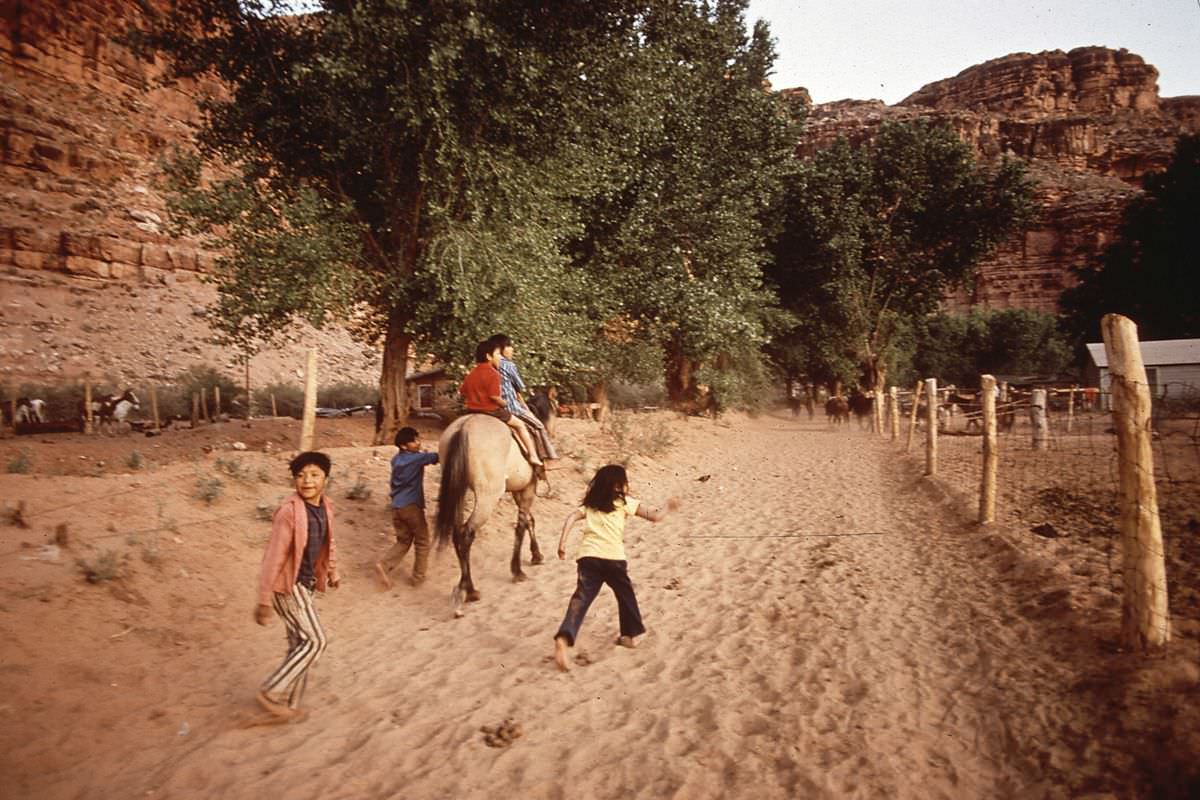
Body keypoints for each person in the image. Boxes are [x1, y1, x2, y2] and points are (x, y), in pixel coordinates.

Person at [552, 464, 679, 672]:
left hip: (588, 557)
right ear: (620, 485)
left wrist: (562, 543)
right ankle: (630, 636)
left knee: (581, 599)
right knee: (625, 595)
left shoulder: (590, 505)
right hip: (614, 559)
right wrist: (668, 507)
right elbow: (654, 516)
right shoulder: (625, 503)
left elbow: (570, 518)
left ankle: (564, 638)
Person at [254, 451, 340, 721]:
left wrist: (333, 571)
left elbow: (329, 542)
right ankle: (270, 692)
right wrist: (264, 599)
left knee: (299, 646)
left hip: (307, 585)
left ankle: (289, 705)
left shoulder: (326, 507)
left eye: (314, 475)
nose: (307, 481)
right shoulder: (289, 512)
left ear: (325, 478)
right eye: (300, 475)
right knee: (316, 641)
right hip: (287, 587)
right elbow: (274, 556)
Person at [460, 339, 544, 472]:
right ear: (489, 356)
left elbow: (463, 391)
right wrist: (503, 402)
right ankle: (533, 455)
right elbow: (494, 396)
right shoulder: (493, 374)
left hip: (471, 411)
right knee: (520, 426)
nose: (500, 357)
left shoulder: (470, 374)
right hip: (491, 411)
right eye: (498, 354)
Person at [376, 426, 439, 589]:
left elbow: (420, 457)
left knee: (403, 541)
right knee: (423, 540)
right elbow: (437, 457)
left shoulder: (397, 460)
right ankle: (418, 577)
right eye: (414, 441)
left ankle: (384, 564)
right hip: (411, 506)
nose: (418, 443)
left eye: (418, 439)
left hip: (397, 507)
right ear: (404, 445)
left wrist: (419, 453)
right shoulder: (416, 459)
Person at [489, 333, 558, 461]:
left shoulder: (487, 365)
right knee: (538, 426)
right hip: (511, 407)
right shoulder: (509, 365)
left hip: (490, 407)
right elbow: (519, 386)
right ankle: (547, 456)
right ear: (500, 349)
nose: (512, 349)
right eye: (508, 346)